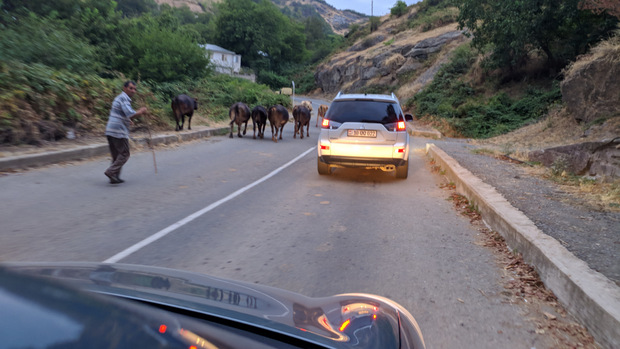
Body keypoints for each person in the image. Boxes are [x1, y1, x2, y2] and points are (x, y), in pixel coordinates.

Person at [104, 80, 147, 184]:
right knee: (124, 154)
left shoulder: (119, 98)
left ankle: (114, 177)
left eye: (135, 89)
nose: (133, 91)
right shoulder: (124, 98)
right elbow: (130, 113)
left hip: (110, 130)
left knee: (116, 156)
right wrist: (141, 112)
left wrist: (128, 120)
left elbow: (122, 114)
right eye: (131, 88)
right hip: (118, 131)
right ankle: (110, 172)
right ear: (124, 88)